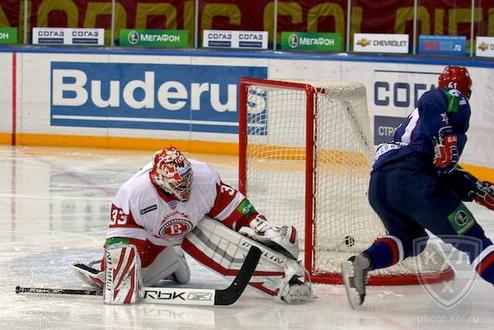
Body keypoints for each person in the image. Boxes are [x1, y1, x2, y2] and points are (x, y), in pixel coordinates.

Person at [71, 146, 313, 304]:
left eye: (187, 181)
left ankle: (282, 280)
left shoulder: (204, 177)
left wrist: (265, 227)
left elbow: (238, 211)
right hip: (152, 240)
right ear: (158, 181)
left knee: (230, 242)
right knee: (132, 280)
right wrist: (114, 273)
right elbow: (121, 244)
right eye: (178, 185)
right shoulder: (133, 194)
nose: (186, 189)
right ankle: (172, 261)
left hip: (195, 228)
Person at [341, 65, 494, 308]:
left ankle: (363, 261)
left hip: (380, 185)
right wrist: (444, 133)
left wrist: (474, 188)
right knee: (476, 241)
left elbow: (442, 170)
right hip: (413, 180)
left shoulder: (419, 129)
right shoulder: (453, 99)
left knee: (411, 239)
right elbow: (433, 98)